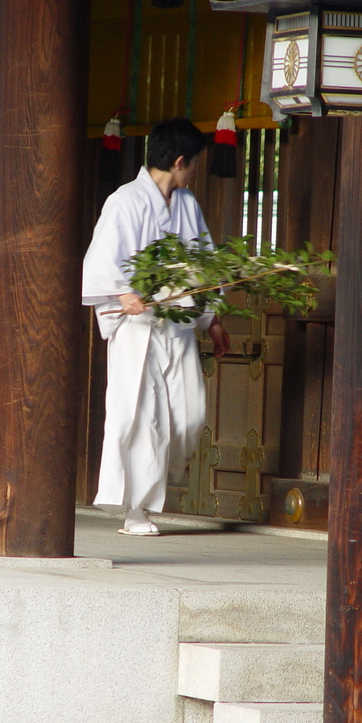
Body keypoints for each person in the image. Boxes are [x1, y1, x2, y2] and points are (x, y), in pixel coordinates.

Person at [82, 117, 230, 536]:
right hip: (137, 325)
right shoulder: (124, 201)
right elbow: (100, 262)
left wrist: (212, 319)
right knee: (142, 415)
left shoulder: (188, 205)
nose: (195, 170)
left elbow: (202, 265)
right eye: (194, 163)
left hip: (179, 323)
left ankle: (152, 486)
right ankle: (137, 510)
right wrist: (123, 293)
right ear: (180, 161)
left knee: (189, 414)